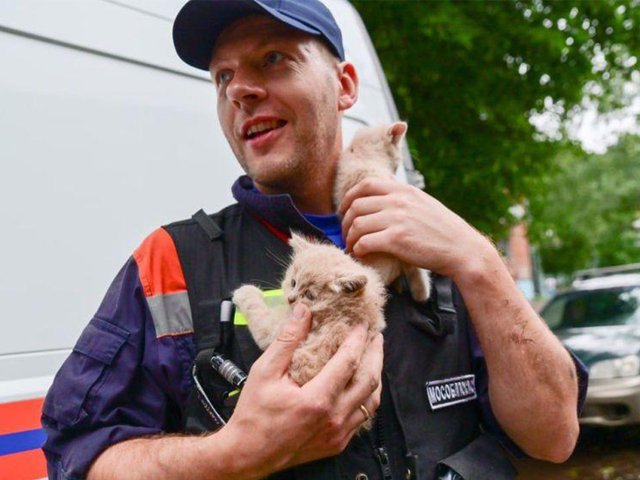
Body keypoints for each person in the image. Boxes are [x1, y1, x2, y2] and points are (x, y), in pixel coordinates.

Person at [41, 1, 587, 479]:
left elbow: (554, 437)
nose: (241, 91)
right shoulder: (170, 262)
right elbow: (76, 458)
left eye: (273, 59)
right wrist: (232, 456)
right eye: (222, 77)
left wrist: (480, 262)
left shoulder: (444, 246)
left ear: (345, 84)